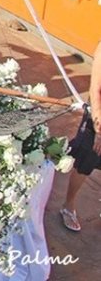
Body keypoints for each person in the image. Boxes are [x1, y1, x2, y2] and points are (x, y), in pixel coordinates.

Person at [60, 40, 101, 232]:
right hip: (99, 115)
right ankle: (68, 205)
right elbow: (96, 89)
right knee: (87, 159)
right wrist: (99, 128)